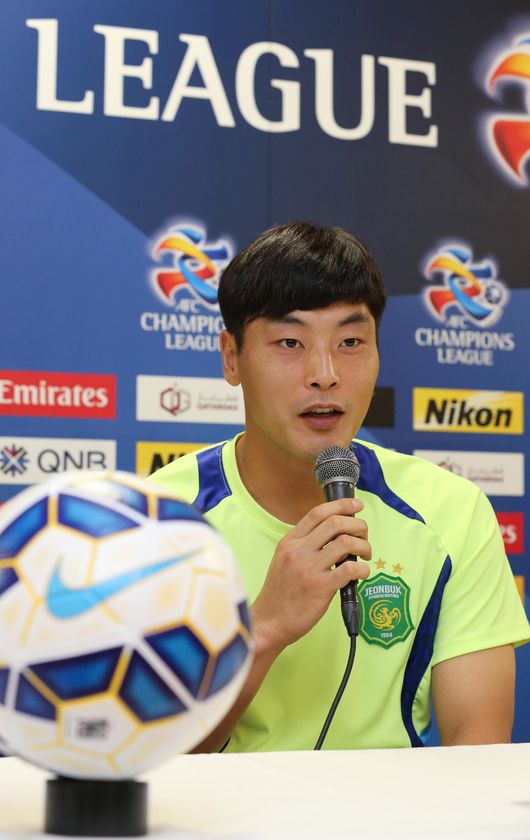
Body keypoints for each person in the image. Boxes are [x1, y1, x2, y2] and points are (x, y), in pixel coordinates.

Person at [150, 221, 530, 752]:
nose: (324, 374)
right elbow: (154, 759)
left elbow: (479, 742)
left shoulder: (450, 510)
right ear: (231, 357)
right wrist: (264, 629)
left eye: (350, 342)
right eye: (290, 342)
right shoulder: (158, 520)